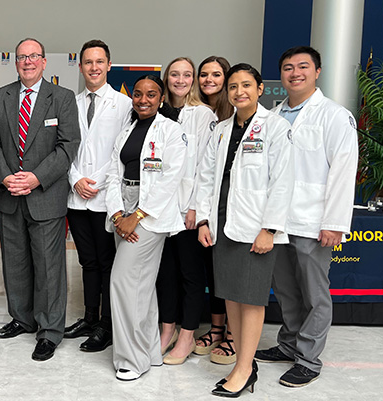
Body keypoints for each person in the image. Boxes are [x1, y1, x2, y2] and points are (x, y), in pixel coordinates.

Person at [255, 46, 358, 388]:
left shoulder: (334, 116)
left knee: (315, 293)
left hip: (314, 221)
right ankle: (288, 344)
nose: (295, 73)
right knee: (285, 290)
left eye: (303, 67)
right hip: (277, 222)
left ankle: (308, 359)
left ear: (317, 72)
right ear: (280, 74)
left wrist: (334, 222)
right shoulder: (271, 114)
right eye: (287, 67)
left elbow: (344, 172)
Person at [195, 63, 294, 397]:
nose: (239, 92)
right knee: (231, 297)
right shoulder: (222, 129)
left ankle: (244, 369)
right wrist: (205, 221)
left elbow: (283, 182)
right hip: (223, 225)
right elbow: (206, 177)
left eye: (246, 85)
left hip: (255, 230)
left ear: (260, 89)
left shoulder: (276, 128)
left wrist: (269, 229)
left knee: (250, 300)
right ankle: (244, 364)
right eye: (233, 86)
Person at [0, 38, 80, 362]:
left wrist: (36, 177)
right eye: (22, 57)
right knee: (15, 263)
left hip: (45, 195)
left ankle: (50, 331)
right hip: (10, 193)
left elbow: (67, 147)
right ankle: (21, 318)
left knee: (49, 268)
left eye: (33, 56)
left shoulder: (62, 98)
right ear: (15, 62)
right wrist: (5, 175)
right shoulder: (1, 96)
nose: (27, 62)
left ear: (43, 62)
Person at [106, 75, 186, 381]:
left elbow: (170, 179)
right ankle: (149, 351)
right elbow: (114, 174)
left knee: (123, 282)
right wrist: (117, 214)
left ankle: (130, 360)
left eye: (151, 94)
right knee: (140, 286)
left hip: (150, 215)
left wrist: (135, 215)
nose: (143, 99)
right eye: (138, 94)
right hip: (122, 208)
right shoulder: (127, 130)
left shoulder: (171, 131)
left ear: (161, 97)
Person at [65, 39, 132, 352]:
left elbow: (122, 150)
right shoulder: (71, 103)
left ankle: (106, 325)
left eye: (99, 62)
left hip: (106, 197)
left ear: (108, 65)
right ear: (80, 67)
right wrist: (76, 179)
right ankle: (89, 317)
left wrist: (99, 182)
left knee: (106, 262)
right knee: (86, 261)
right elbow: (64, 147)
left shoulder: (124, 104)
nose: (93, 67)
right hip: (77, 197)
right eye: (88, 62)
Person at [155, 57, 217, 364]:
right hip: (158, 210)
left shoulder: (203, 115)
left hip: (188, 211)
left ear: (193, 80)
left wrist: (196, 207)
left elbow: (206, 166)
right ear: (167, 78)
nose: (180, 80)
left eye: (187, 75)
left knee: (191, 275)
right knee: (165, 275)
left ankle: (188, 336)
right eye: (175, 74)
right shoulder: (157, 112)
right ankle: (167, 330)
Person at [195, 55, 235, 364]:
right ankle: (217, 328)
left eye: (216, 75)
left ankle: (232, 333)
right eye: (204, 74)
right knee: (212, 268)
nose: (209, 80)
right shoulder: (198, 112)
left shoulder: (235, 112)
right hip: (207, 201)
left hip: (232, 203)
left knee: (230, 269)